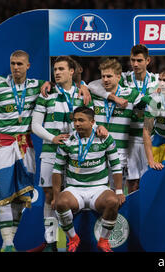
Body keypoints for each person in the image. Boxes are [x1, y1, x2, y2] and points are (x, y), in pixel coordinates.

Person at [0, 50, 45, 252]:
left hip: (26, 147)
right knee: (5, 194)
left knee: (20, 197)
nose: (16, 67)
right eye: (13, 63)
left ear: (28, 66)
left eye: (19, 64)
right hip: (4, 146)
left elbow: (63, 83)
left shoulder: (36, 86)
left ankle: (9, 243)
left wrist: (83, 89)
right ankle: (7, 244)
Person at [31, 56, 90, 252]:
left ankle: (74, 242)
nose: (57, 72)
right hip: (50, 152)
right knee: (49, 196)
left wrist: (85, 86)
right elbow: (35, 125)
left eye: (61, 69)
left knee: (73, 197)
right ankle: (51, 243)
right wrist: (52, 138)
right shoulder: (46, 94)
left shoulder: (83, 94)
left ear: (72, 72)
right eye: (55, 69)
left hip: (76, 154)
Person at [52, 106, 125, 252]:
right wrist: (55, 196)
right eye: (75, 120)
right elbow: (57, 170)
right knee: (60, 203)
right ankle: (73, 238)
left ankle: (103, 240)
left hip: (99, 188)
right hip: (74, 189)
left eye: (81, 120)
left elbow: (116, 165)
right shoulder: (67, 141)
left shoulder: (104, 138)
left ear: (92, 122)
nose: (77, 124)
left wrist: (118, 191)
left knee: (113, 201)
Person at [88, 44, 159, 193]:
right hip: (129, 138)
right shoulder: (124, 77)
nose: (135, 64)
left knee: (150, 180)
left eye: (139, 60)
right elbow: (94, 85)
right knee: (131, 183)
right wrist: (113, 97)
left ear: (148, 61)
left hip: (149, 136)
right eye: (132, 60)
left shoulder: (157, 80)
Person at [92, 58, 141, 192]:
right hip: (97, 150)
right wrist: (113, 98)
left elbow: (148, 103)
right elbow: (90, 85)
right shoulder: (95, 94)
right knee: (98, 191)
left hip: (119, 151)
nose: (105, 80)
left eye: (109, 76)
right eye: (103, 76)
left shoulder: (131, 94)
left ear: (119, 77)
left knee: (117, 192)